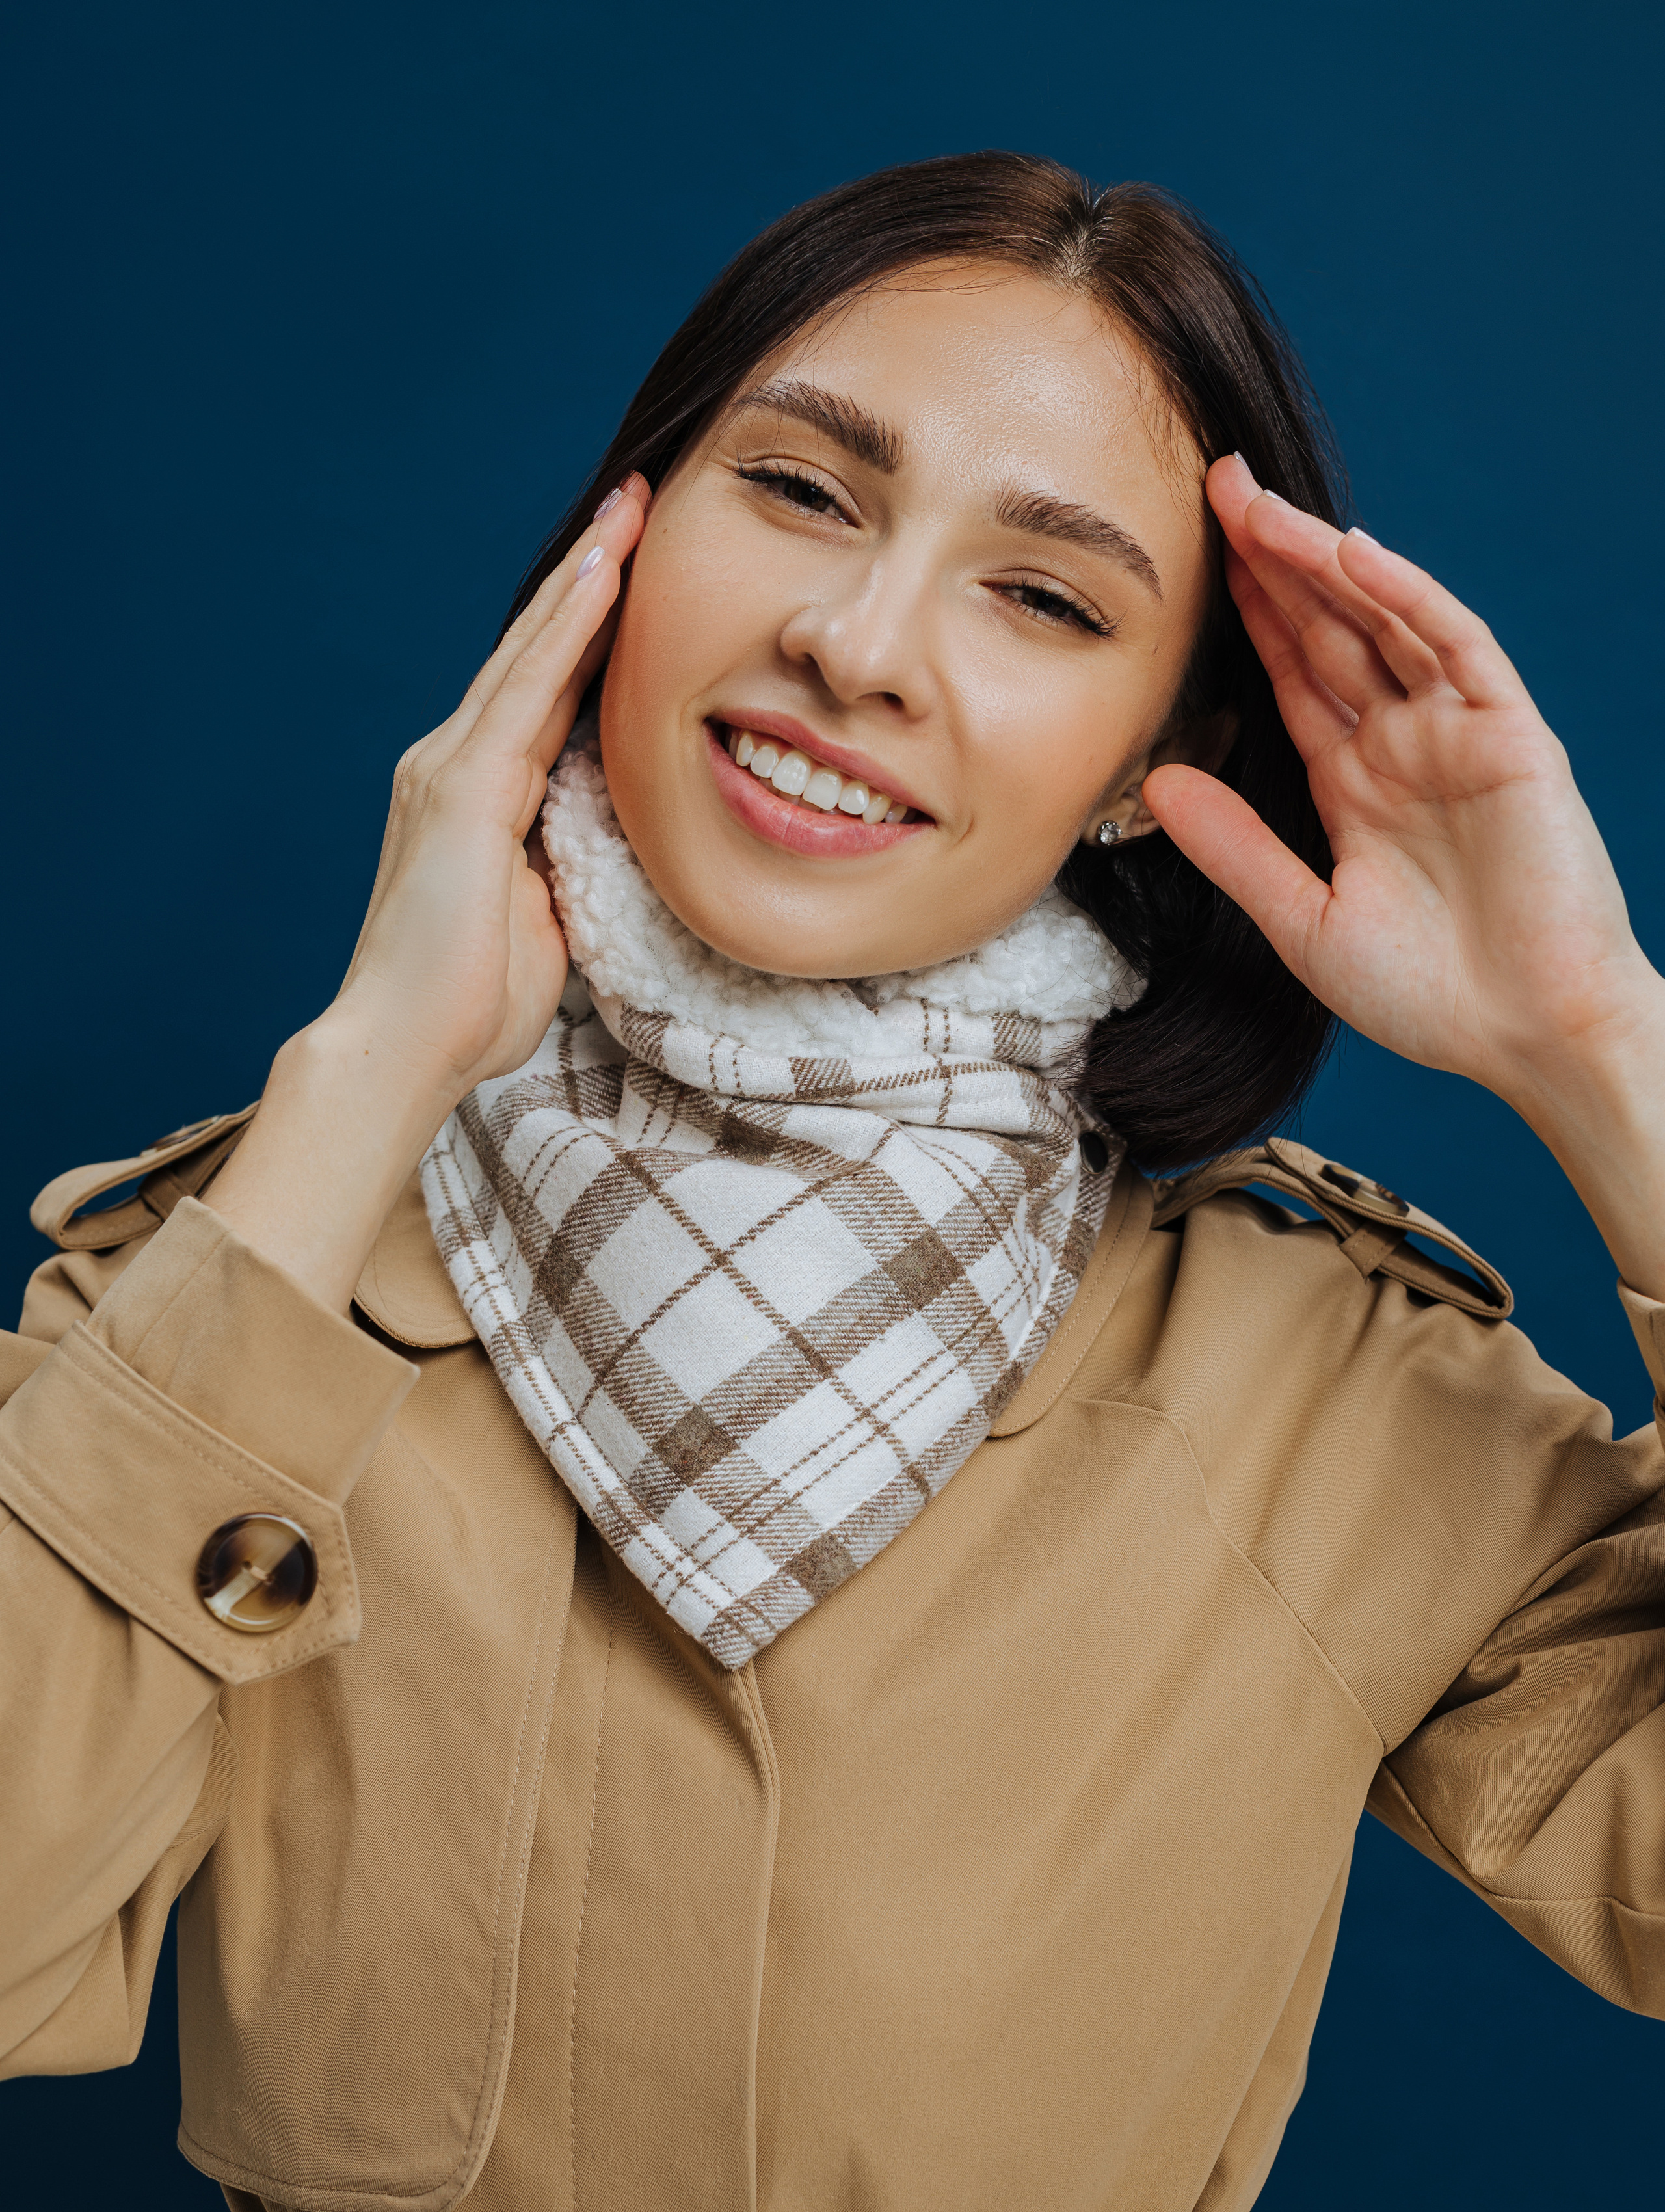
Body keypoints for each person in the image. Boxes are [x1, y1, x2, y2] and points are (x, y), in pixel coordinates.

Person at [2, 151, 1661, 2212]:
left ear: (1166, 754)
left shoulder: (1331, 1396)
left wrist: (1608, 1051)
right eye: (799, 489)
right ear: (621, 537)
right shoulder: (239, 1294)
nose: (861, 643)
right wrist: (355, 1086)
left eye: (1046, 597)